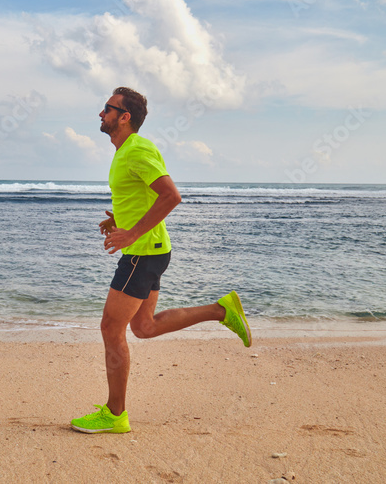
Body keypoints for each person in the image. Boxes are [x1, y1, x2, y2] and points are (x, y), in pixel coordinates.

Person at [70, 86, 251, 435]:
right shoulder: (125, 152)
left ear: (125, 117)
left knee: (111, 328)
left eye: (108, 109)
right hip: (150, 252)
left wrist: (132, 234)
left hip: (142, 254)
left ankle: (114, 414)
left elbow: (171, 196)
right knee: (144, 327)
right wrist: (119, 221)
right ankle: (221, 310)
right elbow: (143, 196)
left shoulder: (136, 149)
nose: (101, 114)